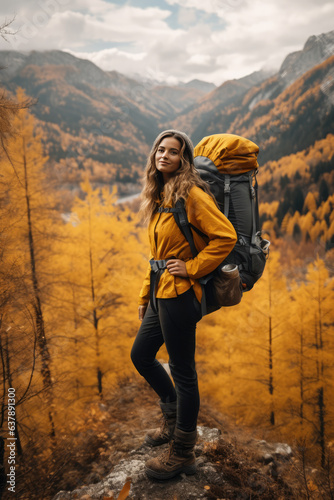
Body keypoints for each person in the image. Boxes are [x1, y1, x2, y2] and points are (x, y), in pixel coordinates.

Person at [131, 129, 237, 480]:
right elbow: (157, 256)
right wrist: (146, 294)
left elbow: (225, 236)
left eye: (173, 152)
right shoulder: (160, 193)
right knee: (141, 355)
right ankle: (173, 417)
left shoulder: (191, 194)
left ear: (183, 159)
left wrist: (191, 269)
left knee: (183, 372)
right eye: (160, 149)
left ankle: (183, 451)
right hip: (160, 291)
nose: (164, 155)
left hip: (179, 295)